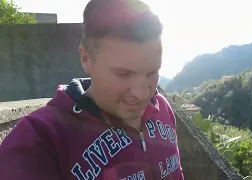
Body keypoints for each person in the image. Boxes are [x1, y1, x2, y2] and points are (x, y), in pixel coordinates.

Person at [0, 0, 185, 179]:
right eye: (123, 74)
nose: (142, 93)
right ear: (86, 58)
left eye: (152, 72)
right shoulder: (38, 141)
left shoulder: (161, 108)